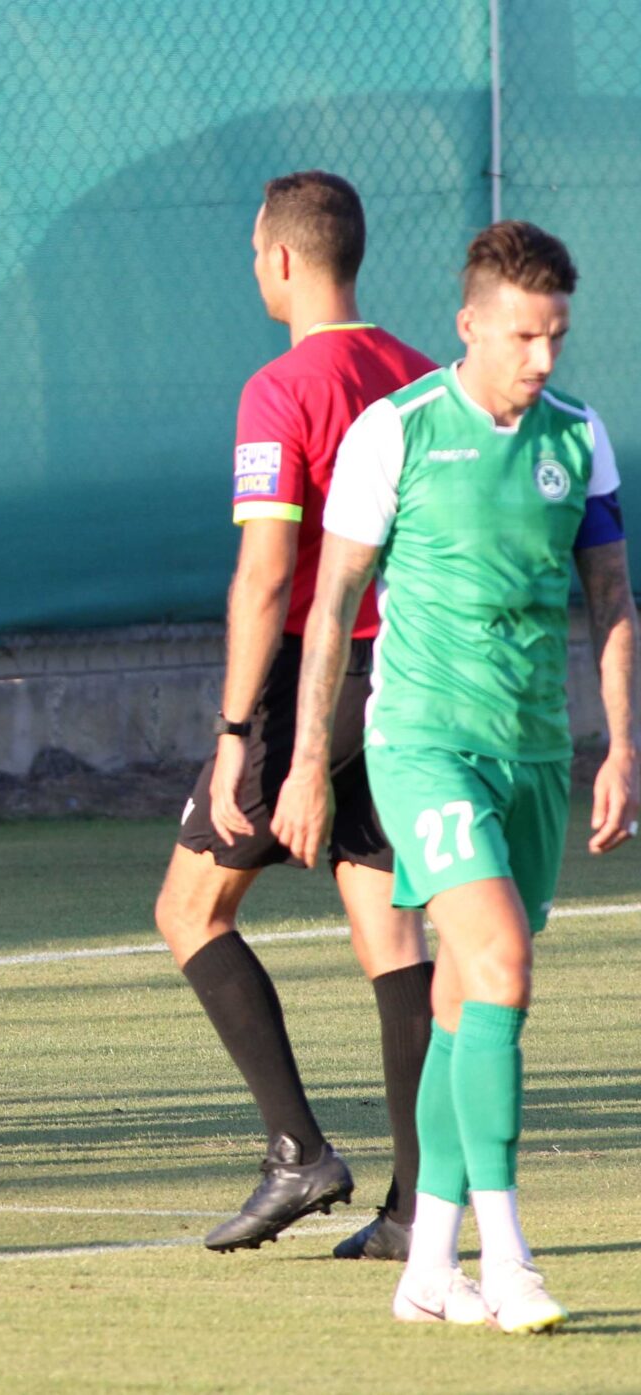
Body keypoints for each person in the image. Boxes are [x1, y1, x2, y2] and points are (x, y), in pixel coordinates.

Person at [272, 220, 636, 1333]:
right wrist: (303, 764)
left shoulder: (578, 438)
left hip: (531, 751)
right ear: (469, 324)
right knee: (502, 965)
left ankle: (427, 1267)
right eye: (522, 335)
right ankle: (508, 1252)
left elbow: (609, 601)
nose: (540, 358)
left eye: (555, 337)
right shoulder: (396, 433)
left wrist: (619, 744)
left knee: (460, 998)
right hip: (421, 740)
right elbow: (331, 604)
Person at [152, 173, 439, 1255]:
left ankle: (297, 1151)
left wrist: (237, 737)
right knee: (388, 930)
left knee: (189, 909)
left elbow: (266, 574)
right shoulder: (423, 375)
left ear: (277, 260)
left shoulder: (280, 388)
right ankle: (416, 1207)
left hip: (307, 679)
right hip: (406, 672)